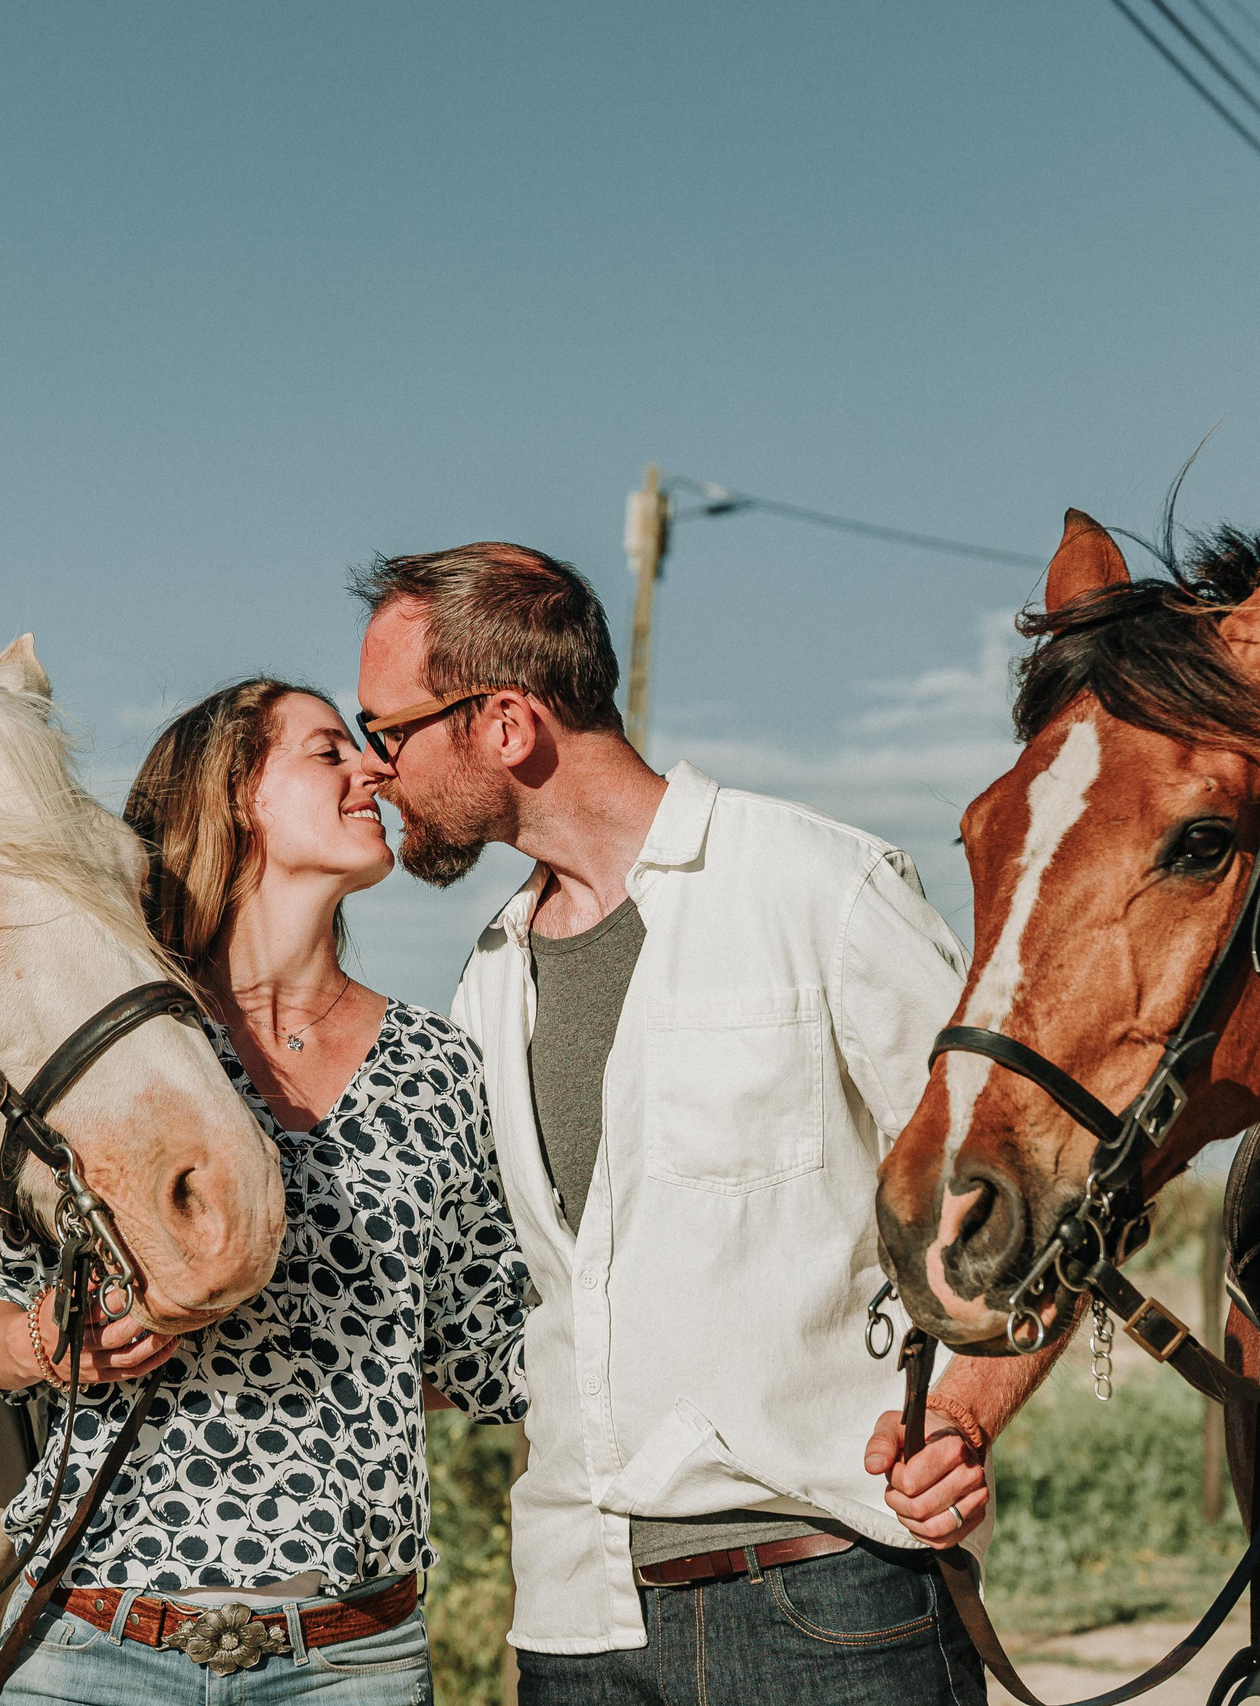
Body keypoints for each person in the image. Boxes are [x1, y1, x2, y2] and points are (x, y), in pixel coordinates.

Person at [349, 544, 1048, 1706]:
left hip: (832, 1603)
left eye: (387, 729)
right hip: (576, 1627)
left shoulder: (819, 890)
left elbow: (1028, 1186)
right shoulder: (488, 977)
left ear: (507, 724)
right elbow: (493, 1303)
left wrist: (966, 1417)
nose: (375, 768)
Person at [0, 678, 527, 1705]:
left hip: (350, 1664)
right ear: (236, 796)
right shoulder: (122, 1049)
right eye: (328, 751)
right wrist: (43, 1343)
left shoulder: (438, 1066)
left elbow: (488, 1353)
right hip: (95, 1646)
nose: (373, 768)